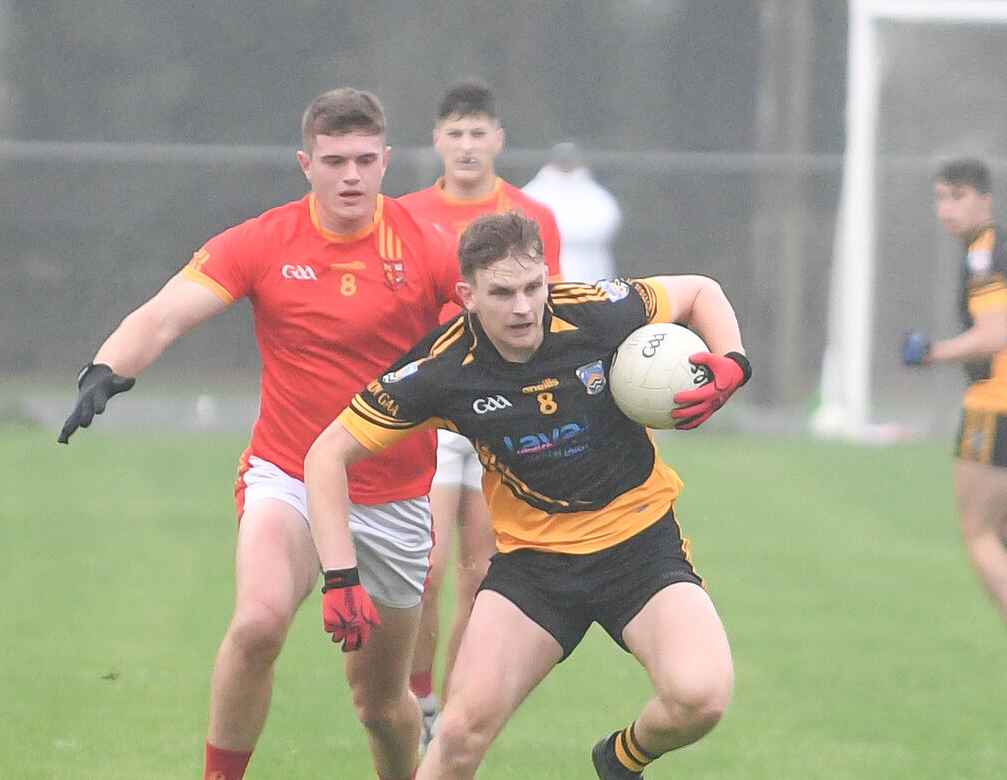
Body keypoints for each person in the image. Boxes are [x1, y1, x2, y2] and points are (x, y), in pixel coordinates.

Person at [57, 87, 461, 780]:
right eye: (334, 160)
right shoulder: (264, 241)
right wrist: (106, 366)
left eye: (365, 159)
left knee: (377, 702)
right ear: (306, 163)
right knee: (258, 625)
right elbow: (162, 316)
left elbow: (505, 327)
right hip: (290, 474)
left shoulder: (427, 247)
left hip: (394, 497)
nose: (351, 176)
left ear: (389, 161)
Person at [305, 212, 750, 779]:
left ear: (547, 277)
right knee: (460, 735)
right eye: (502, 293)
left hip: (640, 548)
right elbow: (326, 454)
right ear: (468, 295)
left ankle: (622, 759)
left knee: (701, 698)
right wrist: (341, 576)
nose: (523, 307)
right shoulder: (443, 368)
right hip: (534, 570)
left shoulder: (593, 310)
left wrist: (732, 362)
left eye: (533, 287)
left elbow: (699, 292)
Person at [397, 77, 562, 747]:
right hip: (436, 412)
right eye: (455, 133)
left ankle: (456, 710)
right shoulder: (405, 214)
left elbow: (551, 311)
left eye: (478, 132)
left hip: (503, 415)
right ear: (437, 140)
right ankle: (418, 695)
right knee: (427, 566)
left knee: (481, 573)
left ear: (498, 139)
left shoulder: (532, 217)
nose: (467, 145)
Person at [903, 157, 1007, 628]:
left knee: (979, 533)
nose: (946, 208)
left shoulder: (985, 252)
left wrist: (932, 353)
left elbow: (993, 335)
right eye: (940, 197)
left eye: (958, 196)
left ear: (985, 200)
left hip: (994, 403)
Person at [523, 140, 622, 284]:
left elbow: (607, 222)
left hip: (590, 267)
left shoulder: (595, 195)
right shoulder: (533, 193)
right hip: (543, 266)